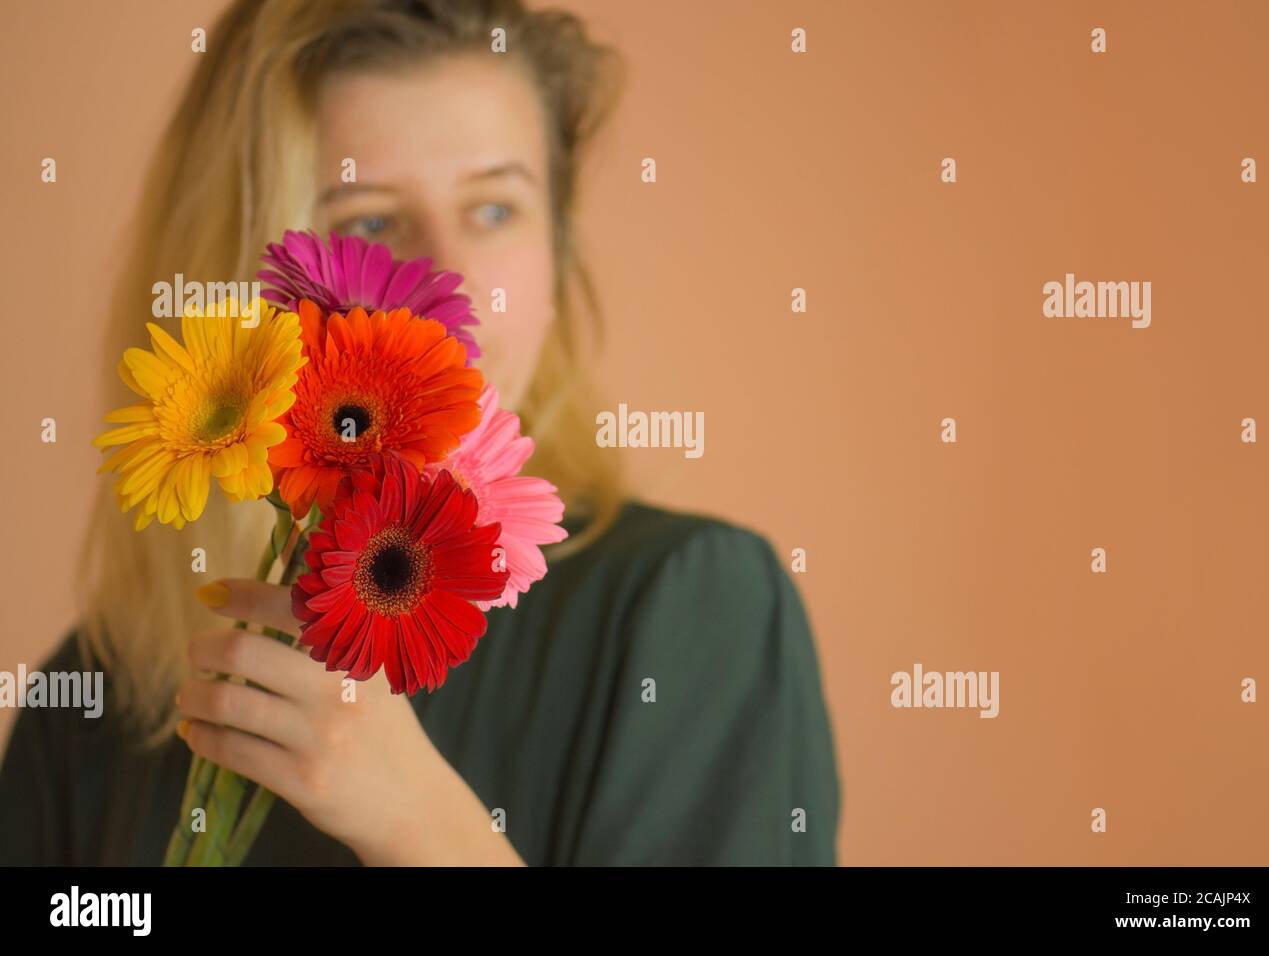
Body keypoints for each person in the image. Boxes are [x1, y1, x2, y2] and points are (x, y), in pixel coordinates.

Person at [0, 0, 839, 866]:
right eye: (368, 222)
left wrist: (424, 830)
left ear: (560, 255)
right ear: (241, 272)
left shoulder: (692, 612)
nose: (453, 285)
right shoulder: (98, 692)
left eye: (496, 209)